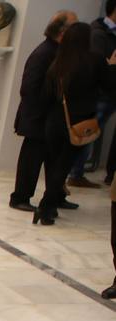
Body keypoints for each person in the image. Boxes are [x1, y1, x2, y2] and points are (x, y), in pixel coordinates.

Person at [36, 22, 116, 225]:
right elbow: (109, 87)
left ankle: (50, 206)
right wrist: (112, 66)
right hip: (78, 123)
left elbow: (45, 95)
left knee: (55, 166)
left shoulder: (58, 62)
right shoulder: (94, 60)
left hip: (54, 121)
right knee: (62, 167)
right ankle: (46, 207)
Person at [11, 11, 78, 212]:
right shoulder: (44, 52)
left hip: (48, 119)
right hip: (38, 119)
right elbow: (29, 89)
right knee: (31, 162)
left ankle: (55, 196)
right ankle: (20, 197)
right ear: (62, 30)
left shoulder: (57, 51)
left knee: (54, 161)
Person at [72, 1, 116, 188]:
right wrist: (111, 65)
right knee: (87, 132)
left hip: (109, 92)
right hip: (101, 94)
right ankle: (76, 172)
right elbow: (97, 64)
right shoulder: (98, 33)